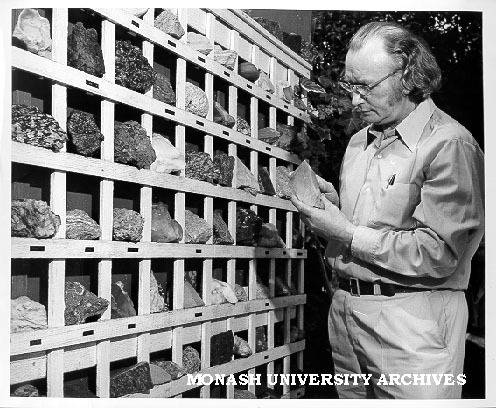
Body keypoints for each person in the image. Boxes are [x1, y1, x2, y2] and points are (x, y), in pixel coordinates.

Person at [291, 21, 484, 399]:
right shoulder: (360, 141)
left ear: (409, 77)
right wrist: (338, 210)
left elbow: (439, 253)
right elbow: (373, 225)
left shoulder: (450, 144)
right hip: (346, 312)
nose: (354, 99)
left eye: (366, 87)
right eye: (350, 84)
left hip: (412, 321)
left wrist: (344, 233)